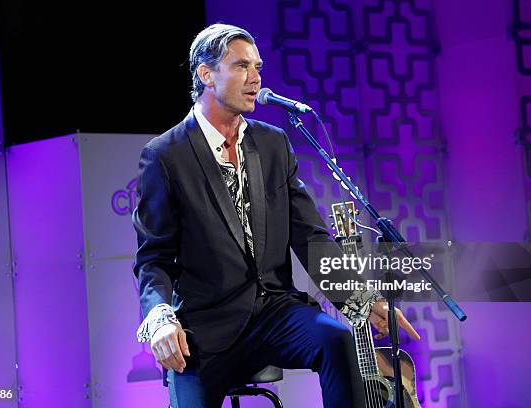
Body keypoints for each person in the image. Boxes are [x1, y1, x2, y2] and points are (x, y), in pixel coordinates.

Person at [133, 23, 420, 408]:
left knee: (339, 342)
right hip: (207, 327)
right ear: (205, 74)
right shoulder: (166, 154)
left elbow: (310, 236)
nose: (255, 78)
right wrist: (161, 319)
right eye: (241, 66)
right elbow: (153, 258)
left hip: (276, 313)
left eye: (257, 67)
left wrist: (362, 300)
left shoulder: (272, 143)